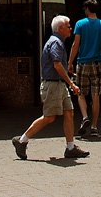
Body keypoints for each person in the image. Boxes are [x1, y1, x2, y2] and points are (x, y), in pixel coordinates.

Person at [12, 16, 90, 160]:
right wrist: (71, 83)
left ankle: (71, 147)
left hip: (59, 84)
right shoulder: (56, 43)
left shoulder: (58, 42)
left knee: (69, 113)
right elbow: (57, 65)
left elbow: (59, 65)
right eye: (68, 26)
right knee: (49, 117)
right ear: (60, 28)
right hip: (53, 85)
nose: (70, 29)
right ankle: (22, 140)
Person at [68, 0, 101, 136]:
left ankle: (85, 116)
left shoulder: (80, 24)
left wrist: (70, 62)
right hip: (97, 61)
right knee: (95, 96)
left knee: (80, 93)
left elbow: (76, 44)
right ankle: (95, 126)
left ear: (87, 9)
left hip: (83, 62)